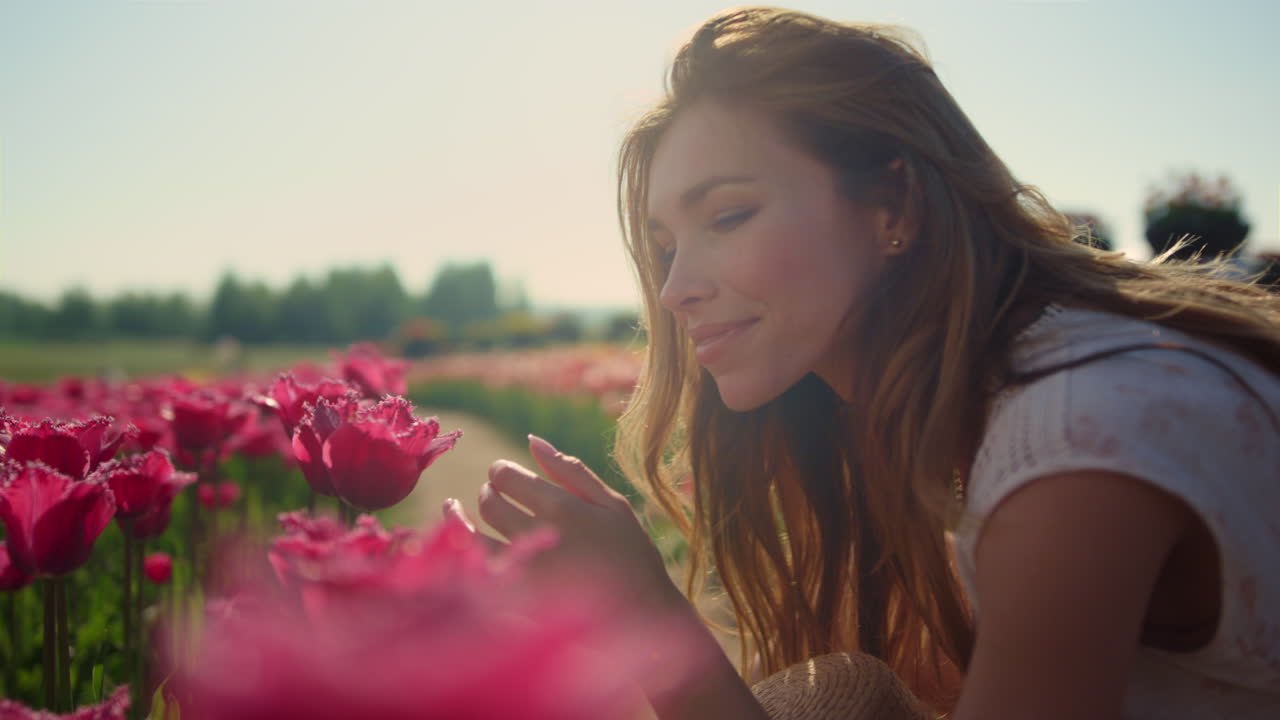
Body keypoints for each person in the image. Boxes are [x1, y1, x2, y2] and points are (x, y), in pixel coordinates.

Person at [444, 7, 1280, 719]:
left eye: (727, 216)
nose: (674, 290)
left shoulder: (1078, 437)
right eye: (664, 247)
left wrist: (644, 623)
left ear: (895, 204)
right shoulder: (926, 426)